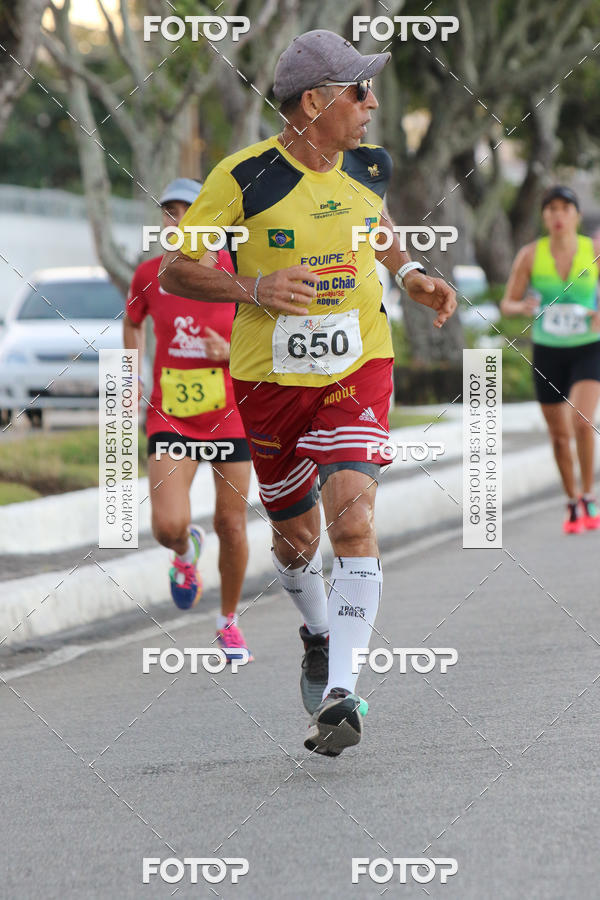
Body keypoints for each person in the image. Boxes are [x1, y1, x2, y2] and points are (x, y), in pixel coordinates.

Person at [159, 31, 456, 755]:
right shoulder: (243, 177)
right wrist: (253, 286)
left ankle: (341, 693)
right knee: (297, 542)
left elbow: (376, 228)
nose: (371, 103)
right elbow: (175, 272)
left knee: (353, 524)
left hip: (358, 366)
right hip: (269, 383)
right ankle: (319, 632)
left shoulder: (368, 166)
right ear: (316, 102)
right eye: (360, 91)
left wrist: (412, 271)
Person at [123, 178, 253, 660]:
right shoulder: (148, 275)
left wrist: (232, 350)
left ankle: (228, 621)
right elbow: (133, 322)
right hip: (172, 416)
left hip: (230, 415)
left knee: (232, 523)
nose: (177, 220)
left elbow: (269, 333)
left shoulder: (237, 274)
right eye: (169, 212)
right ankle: (185, 552)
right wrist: (131, 376)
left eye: (188, 210)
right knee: (167, 525)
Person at [500, 185, 600, 534]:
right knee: (559, 435)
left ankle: (589, 494)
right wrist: (523, 307)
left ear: (576, 214)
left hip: (589, 347)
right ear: (544, 216)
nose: (558, 215)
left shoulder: (594, 250)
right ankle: (571, 501)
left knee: (582, 423)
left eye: (564, 208)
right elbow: (506, 303)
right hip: (547, 350)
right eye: (551, 209)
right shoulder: (530, 254)